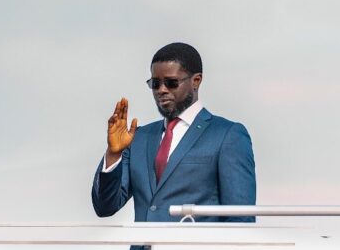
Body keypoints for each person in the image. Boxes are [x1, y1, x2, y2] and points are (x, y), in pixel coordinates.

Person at [91, 42, 256, 245]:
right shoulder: (138, 138)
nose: (161, 90)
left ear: (196, 81)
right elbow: (105, 207)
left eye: (171, 82)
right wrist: (113, 154)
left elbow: (240, 221)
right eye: (155, 83)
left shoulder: (227, 135)